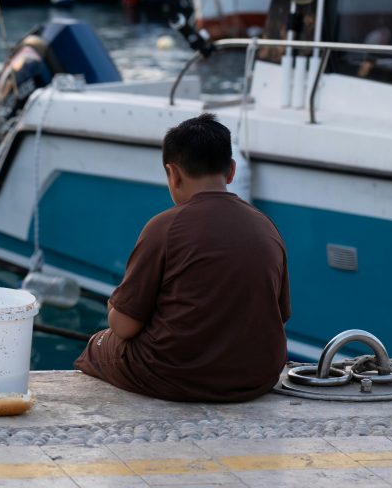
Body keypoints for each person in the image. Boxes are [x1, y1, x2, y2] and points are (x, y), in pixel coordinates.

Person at [74, 113, 290, 402]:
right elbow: (280, 315)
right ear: (231, 171)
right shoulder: (266, 225)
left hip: (174, 376)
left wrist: (115, 305)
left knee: (98, 346)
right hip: (256, 377)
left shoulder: (164, 226)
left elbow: (124, 326)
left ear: (173, 174)